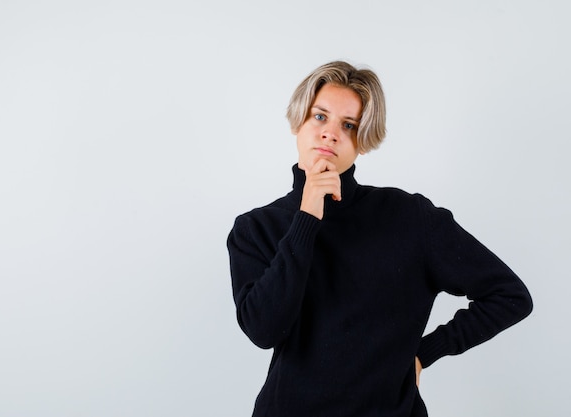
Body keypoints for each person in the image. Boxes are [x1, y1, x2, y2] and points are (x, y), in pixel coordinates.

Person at [226, 61, 532, 417]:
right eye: (320, 117)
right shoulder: (256, 228)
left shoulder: (409, 218)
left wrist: (424, 353)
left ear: (363, 140)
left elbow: (510, 297)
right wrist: (307, 217)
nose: (330, 134)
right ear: (299, 122)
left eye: (349, 125)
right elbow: (264, 330)